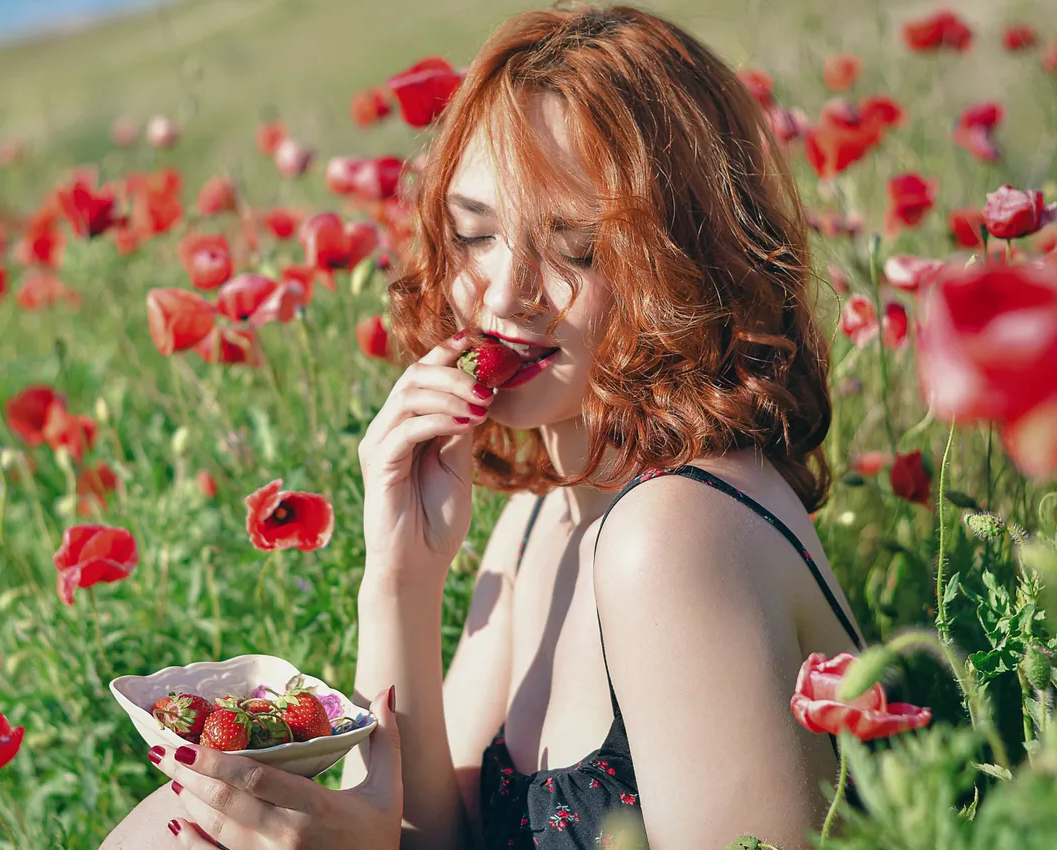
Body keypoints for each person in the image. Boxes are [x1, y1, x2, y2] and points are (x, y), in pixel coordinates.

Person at [102, 3, 865, 848]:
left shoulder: (677, 535)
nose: (505, 295)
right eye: (474, 233)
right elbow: (425, 831)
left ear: (687, 260)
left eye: (576, 248)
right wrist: (400, 574)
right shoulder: (538, 522)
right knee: (182, 821)